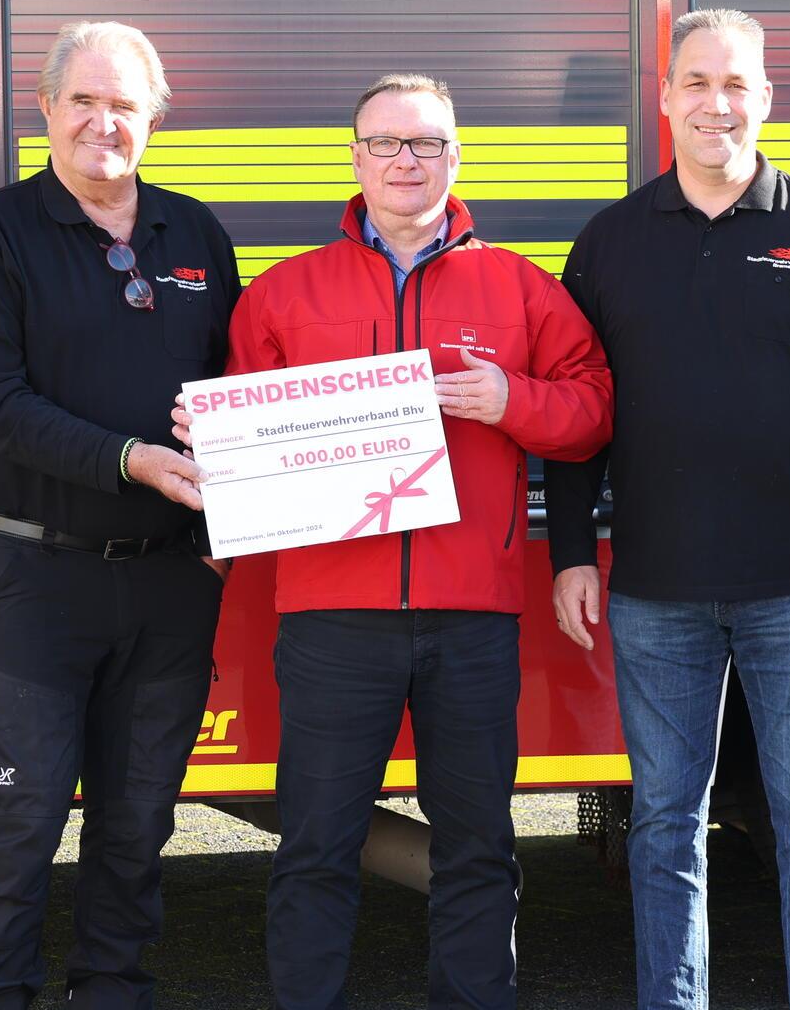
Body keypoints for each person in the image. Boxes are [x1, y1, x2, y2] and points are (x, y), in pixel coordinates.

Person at [200, 73, 613, 1010]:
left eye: (425, 144)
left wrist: (517, 402)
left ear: (455, 158)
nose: (404, 160)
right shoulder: (284, 292)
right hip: (329, 617)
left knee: (475, 843)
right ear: (355, 159)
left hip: (472, 615)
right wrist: (220, 448)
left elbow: (592, 410)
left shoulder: (519, 287)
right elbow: (235, 436)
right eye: (385, 143)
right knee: (315, 841)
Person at [544, 9, 790, 1010]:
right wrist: (570, 552)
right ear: (665, 98)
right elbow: (579, 412)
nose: (717, 103)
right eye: (696, 82)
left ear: (767, 98)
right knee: (664, 824)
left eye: (736, 83)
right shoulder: (611, 243)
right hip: (656, 594)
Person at [0, 20, 241, 1008]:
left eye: (124, 105)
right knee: (18, 827)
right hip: (38, 577)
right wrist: (131, 460)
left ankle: (111, 991)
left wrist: (222, 523)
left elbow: (241, 387)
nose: (103, 123)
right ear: (46, 110)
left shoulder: (195, 234)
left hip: (168, 582)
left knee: (138, 824)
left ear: (154, 117)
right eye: (83, 102)